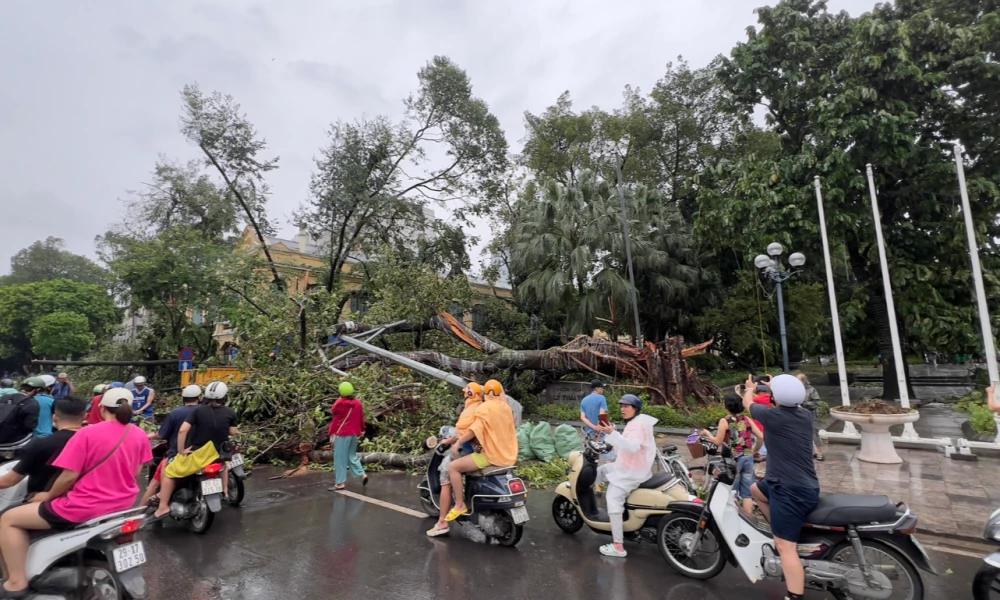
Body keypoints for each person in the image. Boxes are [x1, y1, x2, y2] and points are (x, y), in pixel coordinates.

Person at [0, 388, 151, 595]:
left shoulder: (88, 432)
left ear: (101, 407)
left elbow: (69, 476)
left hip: (84, 506)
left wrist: (47, 496)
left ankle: (16, 583)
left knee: (8, 519)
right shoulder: (139, 433)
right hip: (123, 505)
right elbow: (135, 471)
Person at [745, 374, 819, 600]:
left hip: (789, 489)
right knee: (756, 490)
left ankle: (794, 595)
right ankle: (781, 528)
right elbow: (788, 397)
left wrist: (749, 388)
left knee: (785, 546)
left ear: (776, 397)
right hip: (797, 484)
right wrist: (773, 385)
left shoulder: (773, 416)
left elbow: (747, 403)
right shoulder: (804, 415)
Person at [153, 381, 238, 519]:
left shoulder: (198, 411)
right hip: (219, 454)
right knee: (224, 465)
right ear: (224, 396)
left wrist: (181, 450)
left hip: (198, 454)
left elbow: (182, 431)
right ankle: (225, 491)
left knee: (169, 472)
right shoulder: (230, 412)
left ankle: (162, 506)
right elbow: (233, 432)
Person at [590, 394, 657, 558]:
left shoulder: (637, 425)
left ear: (635, 408)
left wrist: (613, 433)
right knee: (601, 471)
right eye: (621, 406)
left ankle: (618, 545)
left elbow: (632, 447)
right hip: (629, 467)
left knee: (612, 497)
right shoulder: (637, 423)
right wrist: (612, 435)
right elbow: (625, 443)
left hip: (631, 473)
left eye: (626, 406)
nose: (622, 409)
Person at [444, 379, 518, 523]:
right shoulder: (505, 408)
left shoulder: (484, 408)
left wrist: (458, 442)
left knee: (453, 467)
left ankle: (459, 504)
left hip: (491, 456)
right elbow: (501, 395)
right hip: (509, 456)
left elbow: (474, 430)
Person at [0, 396, 86, 501]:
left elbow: (8, 481)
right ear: (85, 416)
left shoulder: (41, 444)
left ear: (54, 417)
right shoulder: (95, 441)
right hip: (82, 499)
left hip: (42, 502)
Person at [426, 382, 483, 537]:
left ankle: (443, 522)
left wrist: (451, 442)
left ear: (469, 394)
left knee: (445, 473)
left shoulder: (469, 410)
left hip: (468, 452)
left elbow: (464, 434)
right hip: (487, 451)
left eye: (466, 393)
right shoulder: (485, 407)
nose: (464, 395)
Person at [701, 394, 763, 514]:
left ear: (727, 407)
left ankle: (733, 519)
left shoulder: (725, 421)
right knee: (747, 494)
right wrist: (754, 451)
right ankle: (748, 520)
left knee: (731, 492)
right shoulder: (747, 419)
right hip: (747, 458)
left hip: (733, 461)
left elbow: (718, 441)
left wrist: (708, 434)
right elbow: (761, 437)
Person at [141, 384, 201, 506]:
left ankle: (139, 516)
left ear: (183, 398)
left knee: (154, 484)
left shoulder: (175, 413)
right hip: (203, 453)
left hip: (179, 454)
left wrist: (151, 435)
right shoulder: (206, 411)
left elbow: (162, 434)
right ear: (199, 397)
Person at [328, 382, 367, 492]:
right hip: (354, 433)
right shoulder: (358, 403)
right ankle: (362, 474)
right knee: (351, 455)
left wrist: (338, 399)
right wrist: (362, 429)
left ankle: (340, 483)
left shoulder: (340, 403)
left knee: (339, 458)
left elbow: (333, 411)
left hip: (342, 434)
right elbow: (361, 418)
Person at [0, 378, 42, 445]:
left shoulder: (4, 397)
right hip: (16, 441)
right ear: (38, 390)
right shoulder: (32, 403)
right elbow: (29, 426)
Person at [797, 373, 824, 461]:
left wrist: (803, 404)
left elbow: (816, 403)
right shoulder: (795, 389)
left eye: (798, 379)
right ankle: (811, 452)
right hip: (800, 414)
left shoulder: (811, 390)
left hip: (811, 414)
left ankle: (820, 452)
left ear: (803, 381)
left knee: (814, 433)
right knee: (803, 434)